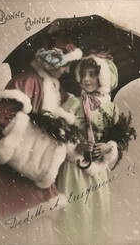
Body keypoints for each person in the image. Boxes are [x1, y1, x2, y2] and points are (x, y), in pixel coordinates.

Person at [0, 39, 82, 219]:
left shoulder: (53, 85)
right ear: (53, 61)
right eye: (65, 65)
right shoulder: (26, 81)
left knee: (40, 212)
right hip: (21, 161)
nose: (67, 71)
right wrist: (38, 131)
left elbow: (62, 111)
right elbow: (2, 120)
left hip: (40, 161)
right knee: (24, 214)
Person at [55, 54, 119, 244]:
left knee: (97, 213)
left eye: (92, 74)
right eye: (83, 75)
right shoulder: (72, 104)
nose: (86, 79)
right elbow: (59, 134)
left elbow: (117, 137)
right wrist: (76, 145)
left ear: (103, 78)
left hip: (99, 171)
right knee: (77, 213)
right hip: (76, 168)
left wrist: (109, 147)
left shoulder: (110, 107)